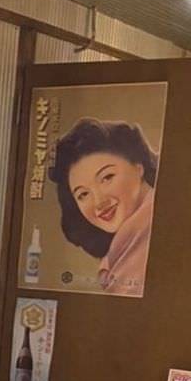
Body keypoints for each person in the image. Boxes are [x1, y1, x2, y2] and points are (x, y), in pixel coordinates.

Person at [48, 118, 159, 298]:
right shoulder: (126, 246)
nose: (99, 202)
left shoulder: (156, 229)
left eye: (107, 177)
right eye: (83, 194)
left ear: (138, 166)